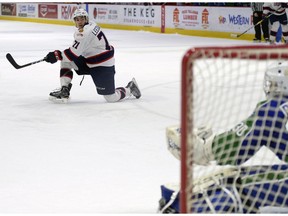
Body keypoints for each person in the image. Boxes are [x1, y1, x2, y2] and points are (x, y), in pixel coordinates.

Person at [160, 61, 288, 213]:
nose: (270, 87)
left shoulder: (274, 108)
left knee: (238, 184)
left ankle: (189, 205)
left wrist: (206, 149)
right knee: (241, 175)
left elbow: (241, 147)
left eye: (272, 84)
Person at [44, 8, 141, 103]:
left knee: (111, 97)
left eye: (82, 19)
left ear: (86, 19)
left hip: (103, 65)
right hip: (90, 61)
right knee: (66, 62)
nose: (80, 21)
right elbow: (77, 51)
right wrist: (60, 56)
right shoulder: (91, 25)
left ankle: (130, 89)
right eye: (77, 19)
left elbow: (72, 54)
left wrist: (56, 55)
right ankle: (64, 89)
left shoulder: (84, 33)